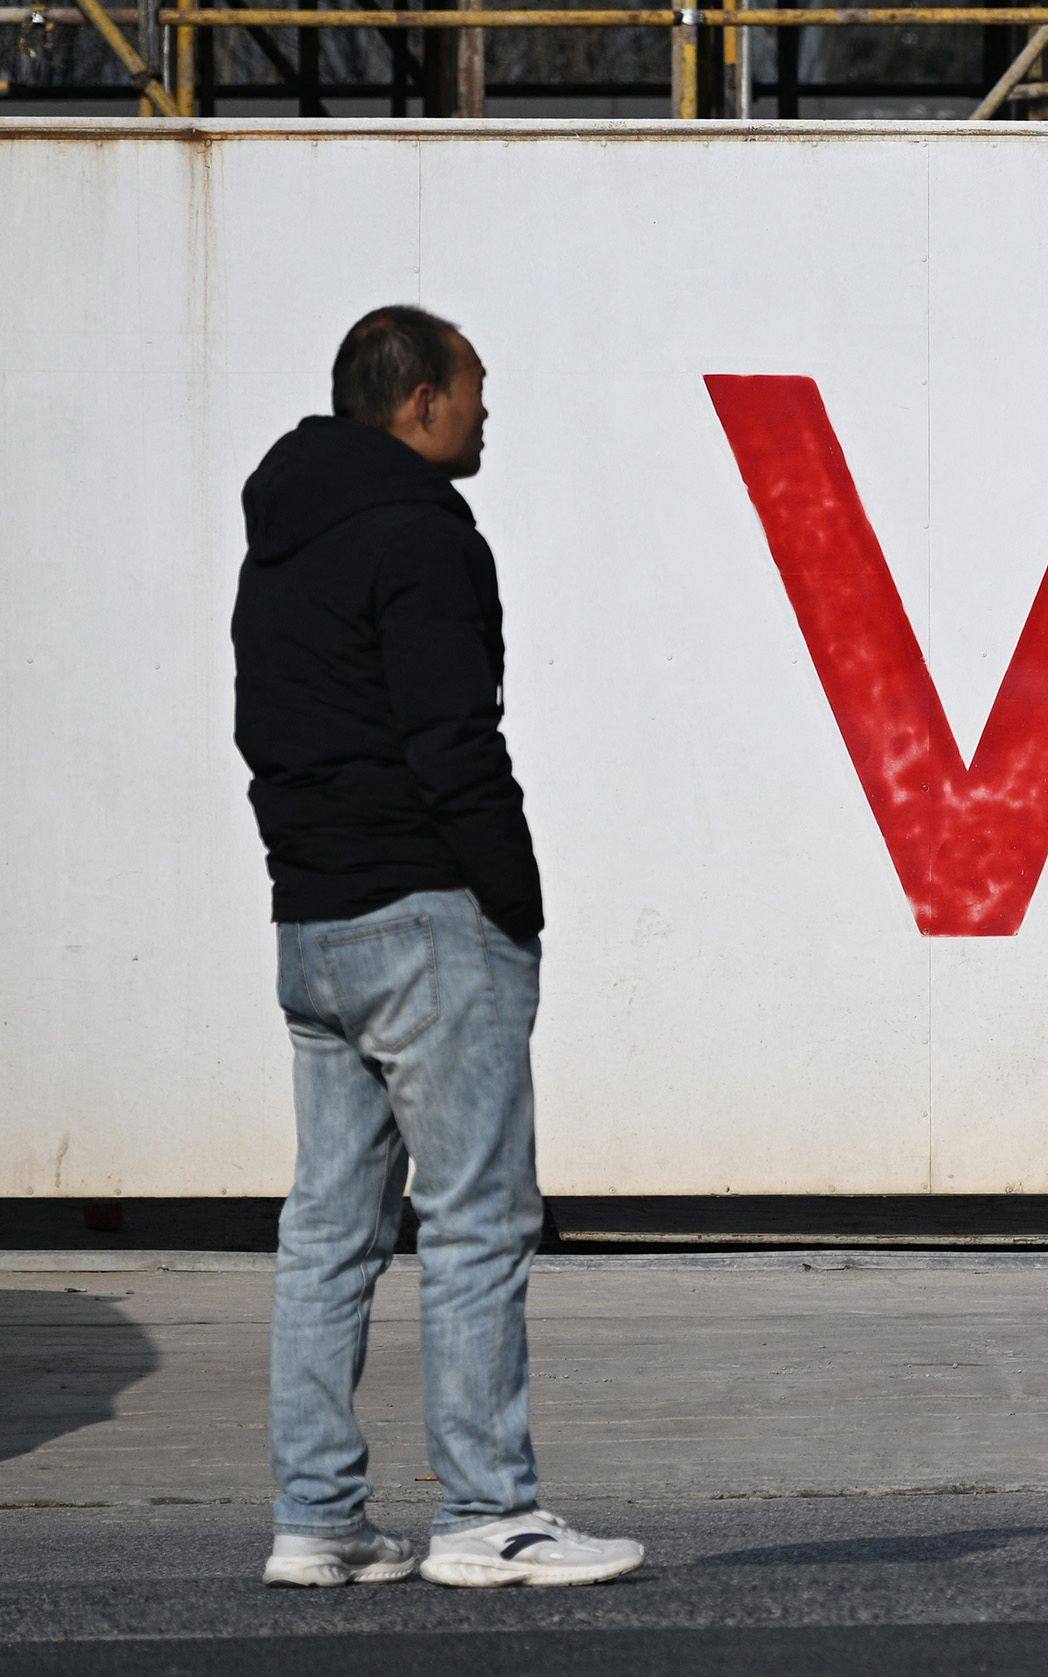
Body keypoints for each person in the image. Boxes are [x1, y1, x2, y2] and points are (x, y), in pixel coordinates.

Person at [233, 305, 643, 1590]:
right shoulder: (422, 534)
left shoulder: (281, 539)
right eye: (473, 388)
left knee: (328, 1230)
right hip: (427, 914)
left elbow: (267, 728)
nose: (484, 410)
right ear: (417, 399)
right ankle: (485, 1513)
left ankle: (318, 1518)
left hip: (315, 919)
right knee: (475, 1219)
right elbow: (455, 736)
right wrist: (513, 901)